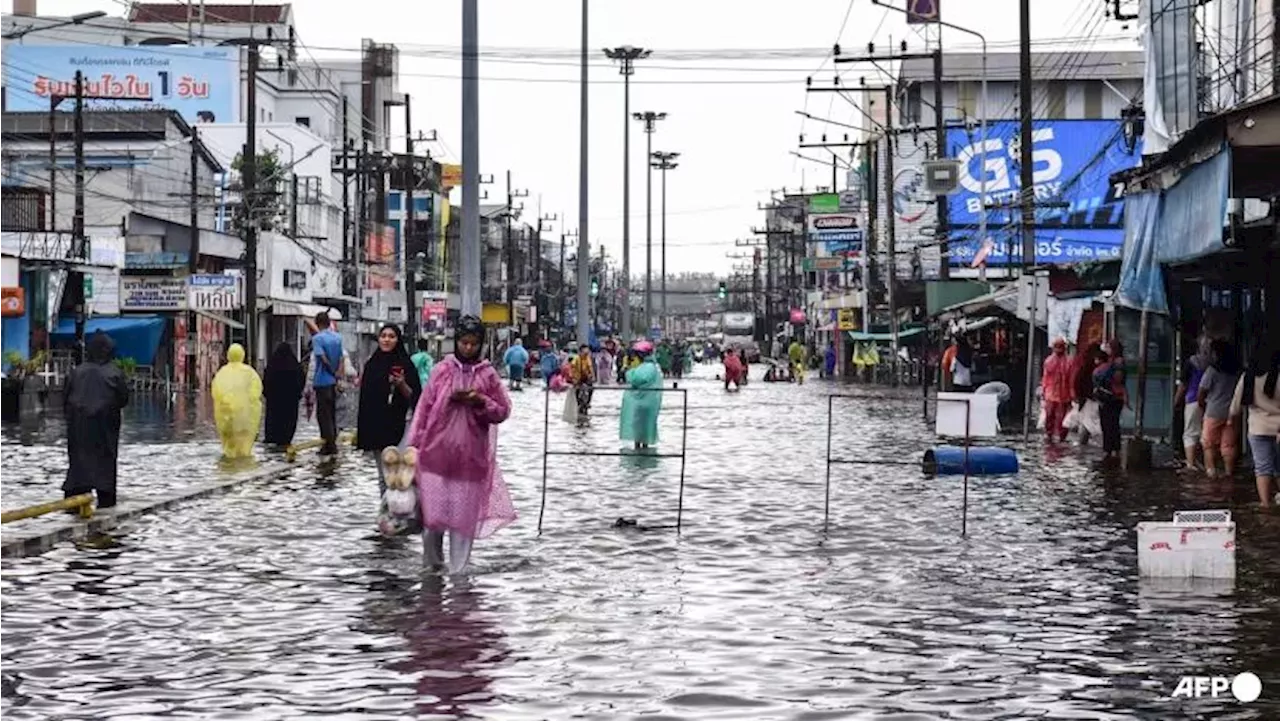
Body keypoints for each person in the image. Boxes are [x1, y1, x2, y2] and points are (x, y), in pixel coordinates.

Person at [407, 315, 515, 573]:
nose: (468, 348)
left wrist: (480, 401)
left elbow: (503, 411)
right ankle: (432, 572)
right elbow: (424, 409)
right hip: (435, 457)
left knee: (462, 525)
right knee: (432, 521)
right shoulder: (442, 370)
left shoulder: (488, 375)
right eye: (464, 343)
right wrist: (414, 446)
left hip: (470, 461)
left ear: (480, 345)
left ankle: (459, 577)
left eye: (473, 344)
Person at [63, 332, 129, 510]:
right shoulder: (115, 374)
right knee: (105, 467)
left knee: (78, 464)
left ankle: (74, 498)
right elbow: (124, 399)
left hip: (78, 427)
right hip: (105, 428)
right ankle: (105, 497)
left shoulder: (76, 373)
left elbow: (65, 398)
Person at [356, 324, 422, 493]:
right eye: (383, 336)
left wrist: (401, 384)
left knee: (403, 474)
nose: (386, 339)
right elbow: (366, 403)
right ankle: (386, 512)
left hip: (402, 425)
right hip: (378, 429)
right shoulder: (372, 366)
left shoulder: (406, 365)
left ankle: (405, 511)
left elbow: (417, 398)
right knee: (384, 475)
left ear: (398, 339)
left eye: (391, 336)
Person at [1230, 341, 1280, 508]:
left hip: (1258, 428)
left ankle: (1265, 504)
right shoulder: (1277, 375)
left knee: (1262, 468)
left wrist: (1231, 421)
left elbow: (1236, 405)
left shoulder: (1248, 376)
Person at [1198, 339, 1242, 478]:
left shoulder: (1212, 371)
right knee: (1228, 445)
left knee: (1209, 444)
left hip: (1213, 411)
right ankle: (1229, 473)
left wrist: (1203, 406)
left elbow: (1201, 392)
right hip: (1232, 412)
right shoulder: (1237, 371)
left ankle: (1211, 472)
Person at [211, 343, 263, 460]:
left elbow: (216, 391)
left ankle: (230, 461)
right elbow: (256, 392)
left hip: (226, 415)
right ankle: (243, 462)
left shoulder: (222, 372)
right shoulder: (249, 372)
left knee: (229, 445)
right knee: (244, 446)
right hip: (244, 416)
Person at [311, 311, 345, 460]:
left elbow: (322, 357)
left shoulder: (317, 338)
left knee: (323, 415)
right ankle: (332, 442)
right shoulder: (338, 337)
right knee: (332, 413)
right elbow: (342, 358)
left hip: (322, 380)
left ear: (318, 324)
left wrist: (331, 370)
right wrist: (338, 373)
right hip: (333, 381)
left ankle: (329, 445)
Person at [620, 341, 664, 449]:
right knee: (644, 429)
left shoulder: (648, 367)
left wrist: (628, 371)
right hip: (647, 402)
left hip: (642, 403)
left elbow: (637, 379)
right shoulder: (653, 366)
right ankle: (642, 450)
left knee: (640, 428)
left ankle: (640, 451)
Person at [1174, 340, 1209, 469]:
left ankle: (1190, 463)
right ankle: (1203, 462)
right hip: (1210, 402)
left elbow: (1183, 384)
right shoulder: (1212, 364)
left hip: (1193, 400)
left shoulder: (1191, 363)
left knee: (1190, 433)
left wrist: (1176, 400)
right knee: (1204, 433)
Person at [263, 342, 305, 447]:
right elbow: (301, 381)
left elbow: (266, 381)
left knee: (274, 421)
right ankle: (286, 440)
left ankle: (272, 439)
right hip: (290, 402)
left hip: (274, 402)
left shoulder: (272, 365)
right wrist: (297, 394)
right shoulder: (295, 366)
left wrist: (267, 394)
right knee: (288, 422)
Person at [1093, 338, 1127, 463]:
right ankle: (1110, 449)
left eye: (1108, 347)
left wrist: (1104, 374)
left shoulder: (1117, 362)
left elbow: (1118, 379)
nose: (1106, 349)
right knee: (1108, 424)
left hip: (1112, 397)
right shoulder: (1111, 362)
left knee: (1110, 424)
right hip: (1109, 397)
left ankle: (1112, 450)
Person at [1071, 342, 1106, 445]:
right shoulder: (1089, 365)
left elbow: (1077, 380)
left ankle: (1083, 442)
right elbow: (1079, 380)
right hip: (1089, 397)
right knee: (1088, 421)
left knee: (1086, 421)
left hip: (1086, 396)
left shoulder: (1085, 363)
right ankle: (1085, 441)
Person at [1041, 338, 1073, 443]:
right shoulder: (1049, 361)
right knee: (1050, 415)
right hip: (1051, 393)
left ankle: (1061, 436)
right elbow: (1045, 377)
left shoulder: (1069, 361)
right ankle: (1049, 434)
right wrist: (1044, 390)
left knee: (1062, 417)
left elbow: (1071, 378)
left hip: (1064, 393)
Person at [570, 344, 595, 422]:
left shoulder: (588, 359)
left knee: (591, 388)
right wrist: (574, 379)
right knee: (577, 391)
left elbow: (590, 368)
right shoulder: (576, 359)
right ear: (580, 351)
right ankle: (578, 403)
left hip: (586, 378)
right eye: (585, 350)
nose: (587, 352)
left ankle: (587, 403)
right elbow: (572, 369)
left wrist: (592, 376)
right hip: (578, 378)